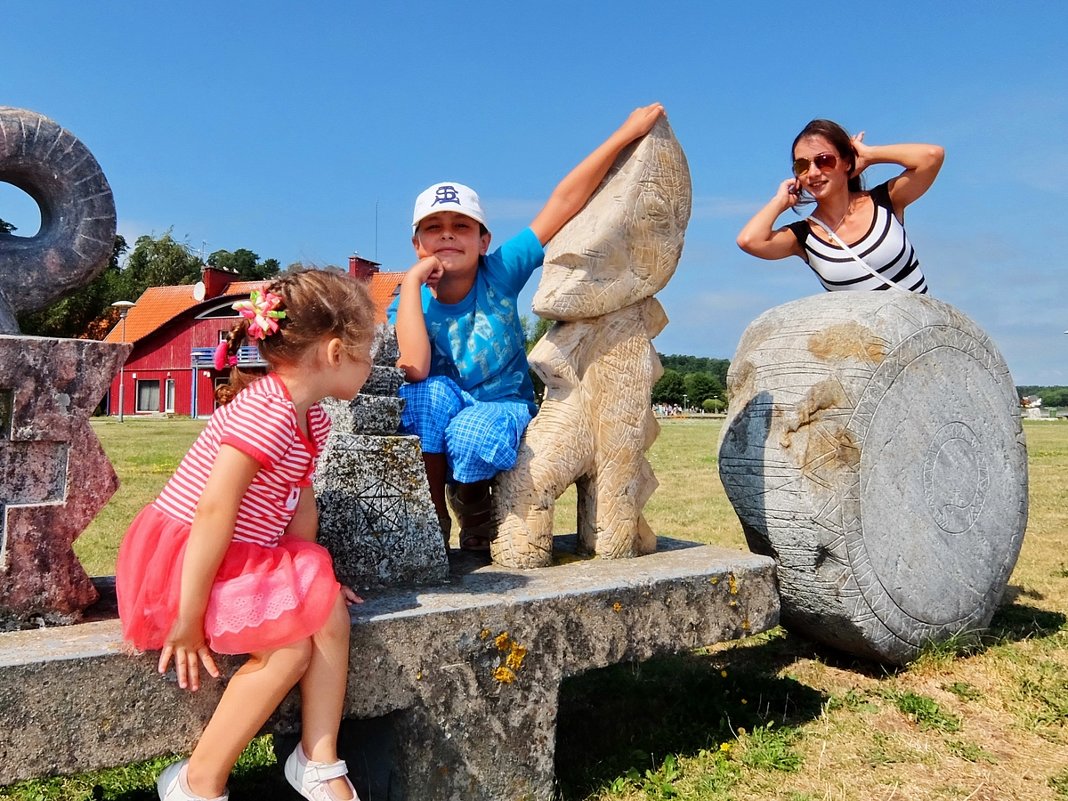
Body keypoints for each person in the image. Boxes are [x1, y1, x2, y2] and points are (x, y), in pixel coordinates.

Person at [116, 269, 376, 801]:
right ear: (333, 352)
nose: (373, 364)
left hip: (243, 554)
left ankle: (317, 759)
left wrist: (310, 579)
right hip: (192, 561)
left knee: (327, 610)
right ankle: (197, 782)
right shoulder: (266, 411)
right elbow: (213, 511)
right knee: (287, 650)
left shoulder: (312, 419)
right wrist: (187, 621)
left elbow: (300, 506)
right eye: (367, 350)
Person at [391, 103, 666, 552]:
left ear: (483, 241)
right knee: (427, 395)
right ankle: (434, 512)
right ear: (417, 243)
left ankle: (473, 503)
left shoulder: (498, 273)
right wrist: (411, 284)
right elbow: (415, 368)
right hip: (444, 406)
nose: (447, 235)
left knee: (471, 433)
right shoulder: (409, 299)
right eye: (434, 228)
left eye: (461, 226)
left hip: (500, 406)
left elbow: (561, 203)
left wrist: (623, 135)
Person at [736, 119, 944, 293]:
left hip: (924, 337)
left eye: (824, 160)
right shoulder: (804, 236)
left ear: (846, 162)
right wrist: (779, 202)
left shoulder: (885, 201)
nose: (813, 172)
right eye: (802, 165)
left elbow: (931, 156)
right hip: (867, 343)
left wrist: (869, 155)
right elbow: (749, 241)